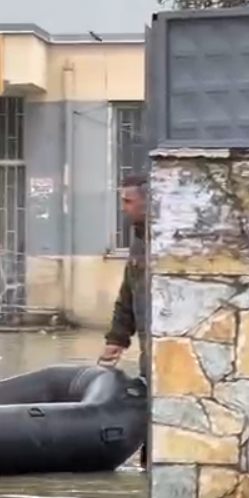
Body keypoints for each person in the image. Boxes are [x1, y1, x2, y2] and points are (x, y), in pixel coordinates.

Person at [99, 173, 148, 465]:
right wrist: (116, 338)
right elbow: (128, 292)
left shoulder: (170, 241)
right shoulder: (139, 242)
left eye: (128, 202)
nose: (123, 208)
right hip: (147, 353)